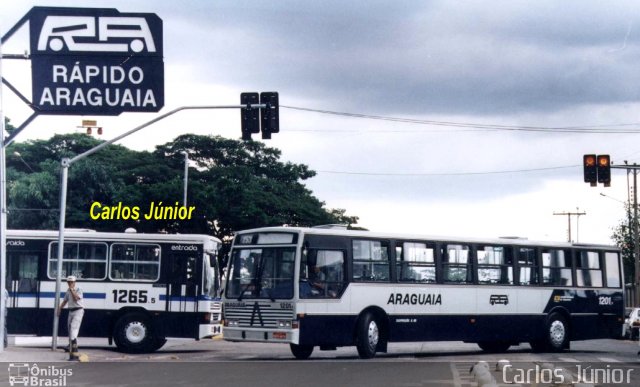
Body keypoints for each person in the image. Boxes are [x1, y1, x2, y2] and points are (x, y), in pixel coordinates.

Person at [57, 276, 84, 359]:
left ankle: (74, 355)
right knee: (70, 332)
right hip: (71, 311)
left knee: (73, 331)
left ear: (75, 282)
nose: (70, 283)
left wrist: (72, 290)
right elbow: (65, 301)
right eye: (68, 282)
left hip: (78, 311)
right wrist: (60, 308)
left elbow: (76, 298)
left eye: (71, 282)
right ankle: (72, 352)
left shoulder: (79, 289)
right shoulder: (68, 291)